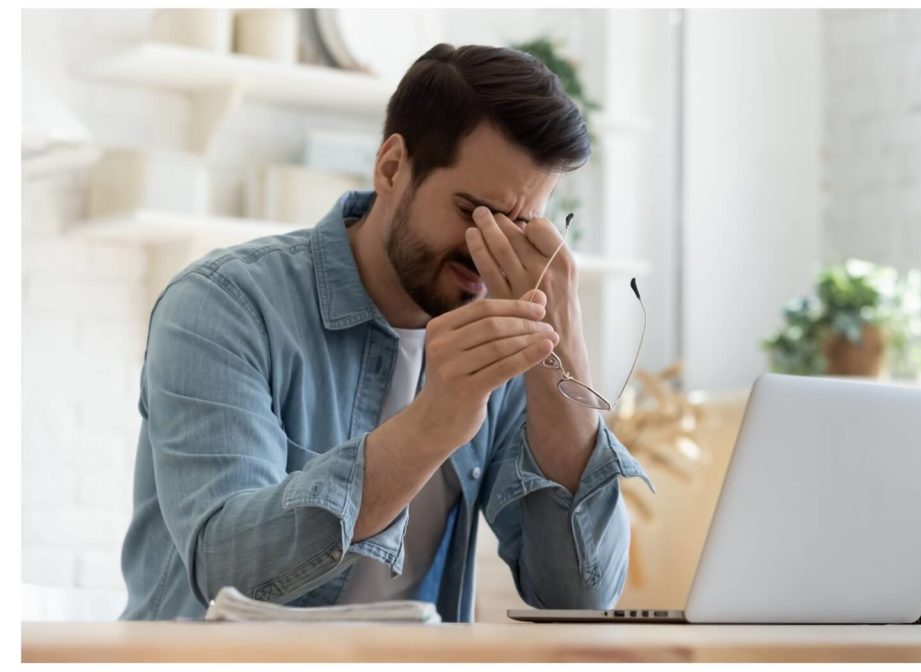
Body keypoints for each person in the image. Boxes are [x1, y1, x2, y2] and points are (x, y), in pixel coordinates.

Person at [120, 43, 651, 622]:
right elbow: (228, 572)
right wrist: (434, 421)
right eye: (473, 211)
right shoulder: (223, 305)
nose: (487, 249)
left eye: (519, 225)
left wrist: (565, 359)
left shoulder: (511, 342)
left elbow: (580, 598)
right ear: (393, 167)